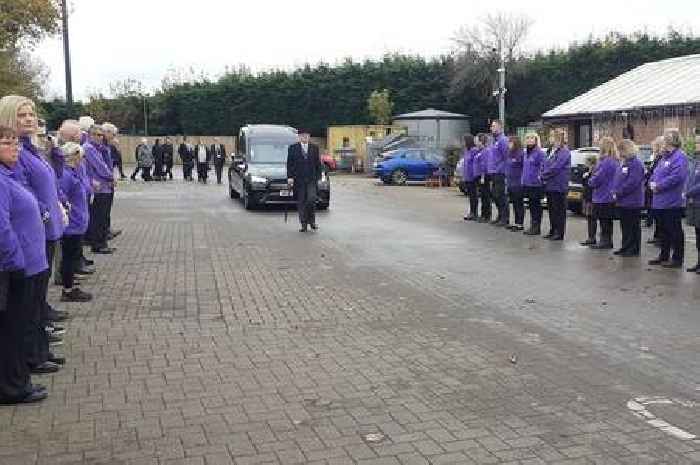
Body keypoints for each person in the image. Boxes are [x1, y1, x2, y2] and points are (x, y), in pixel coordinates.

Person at [0, 96, 66, 374]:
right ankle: (32, 356)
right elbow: (24, 190)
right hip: (30, 235)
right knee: (27, 303)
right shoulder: (16, 153)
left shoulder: (30, 149)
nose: (30, 119)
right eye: (22, 115)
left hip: (43, 233)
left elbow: (49, 181)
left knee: (37, 299)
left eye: (32, 114)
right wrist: (44, 213)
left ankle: (39, 350)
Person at [0, 125, 49, 404]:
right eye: (7, 143)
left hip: (26, 264)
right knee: (11, 329)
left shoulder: (9, 175)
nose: (15, 148)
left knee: (17, 328)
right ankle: (12, 387)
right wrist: (15, 262)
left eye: (16, 143)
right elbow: (2, 227)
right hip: (14, 268)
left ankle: (17, 381)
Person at [58, 142, 93, 301]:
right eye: (81, 157)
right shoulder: (66, 175)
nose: (82, 160)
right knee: (69, 257)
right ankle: (68, 289)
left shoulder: (74, 172)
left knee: (73, 257)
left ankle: (70, 284)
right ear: (74, 156)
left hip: (78, 223)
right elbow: (61, 195)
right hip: (71, 225)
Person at [648, 129, 688, 268]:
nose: (663, 141)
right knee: (663, 231)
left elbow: (677, 177)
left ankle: (677, 259)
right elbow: (655, 173)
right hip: (659, 201)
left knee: (674, 230)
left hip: (671, 202)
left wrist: (659, 185)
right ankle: (663, 255)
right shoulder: (664, 157)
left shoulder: (679, 157)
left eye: (665, 139)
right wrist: (652, 182)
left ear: (672, 141)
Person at [83, 125, 115, 254]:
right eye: (96, 134)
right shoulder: (89, 148)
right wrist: (111, 177)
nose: (100, 137)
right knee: (98, 217)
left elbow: (108, 163)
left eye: (101, 135)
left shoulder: (98, 148)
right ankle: (98, 244)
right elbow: (100, 167)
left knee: (102, 216)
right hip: (99, 188)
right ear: (90, 135)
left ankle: (101, 243)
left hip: (104, 186)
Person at [612, 139, 646, 257]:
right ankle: (625, 246)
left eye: (621, 150)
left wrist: (619, 192)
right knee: (625, 226)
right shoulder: (624, 162)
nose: (619, 153)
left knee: (633, 226)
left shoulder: (635, 163)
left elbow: (633, 182)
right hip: (623, 201)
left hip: (632, 201)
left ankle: (633, 248)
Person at [587, 136, 618, 250]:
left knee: (604, 220)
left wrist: (590, 180)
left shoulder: (606, 161)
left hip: (602, 195)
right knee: (607, 220)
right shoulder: (614, 160)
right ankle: (607, 240)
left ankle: (605, 241)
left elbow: (598, 177)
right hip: (609, 194)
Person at [287, 130, 322, 232]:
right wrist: (290, 177)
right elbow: (289, 164)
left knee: (311, 199)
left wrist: (319, 177)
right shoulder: (293, 148)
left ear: (309, 137)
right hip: (299, 180)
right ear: (299, 137)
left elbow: (318, 164)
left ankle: (312, 221)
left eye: (306, 136)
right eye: (302, 136)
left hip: (311, 179)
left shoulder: (314, 148)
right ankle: (303, 224)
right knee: (301, 202)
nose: (304, 137)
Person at [541, 128, 571, 241]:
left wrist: (543, 175)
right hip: (550, 185)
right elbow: (545, 164)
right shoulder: (550, 151)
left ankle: (559, 232)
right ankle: (553, 230)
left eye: (552, 136)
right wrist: (543, 172)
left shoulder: (564, 151)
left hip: (559, 186)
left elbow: (556, 167)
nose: (550, 138)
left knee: (559, 210)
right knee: (552, 209)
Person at [521, 133, 546, 236]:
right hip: (527, 183)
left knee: (536, 206)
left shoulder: (539, 153)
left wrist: (539, 177)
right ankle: (533, 225)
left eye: (532, 138)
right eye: (527, 138)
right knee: (531, 205)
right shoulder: (526, 152)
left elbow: (542, 166)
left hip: (536, 184)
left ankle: (536, 227)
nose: (529, 140)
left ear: (536, 140)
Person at [101, 123, 122, 240]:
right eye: (113, 134)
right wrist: (110, 177)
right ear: (107, 133)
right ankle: (103, 232)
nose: (114, 137)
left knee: (107, 208)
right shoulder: (102, 147)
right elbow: (102, 165)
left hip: (108, 181)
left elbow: (115, 161)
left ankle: (106, 229)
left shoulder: (108, 146)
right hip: (104, 183)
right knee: (103, 210)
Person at [487, 120, 508, 226]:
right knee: (495, 195)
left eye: (494, 126)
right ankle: (500, 215)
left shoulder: (503, 140)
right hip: (493, 172)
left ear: (500, 127)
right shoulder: (493, 141)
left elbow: (506, 156)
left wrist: (500, 169)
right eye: (491, 126)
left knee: (500, 195)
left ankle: (505, 218)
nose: (491, 128)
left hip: (500, 172)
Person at [645, 136, 665, 245]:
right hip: (652, 188)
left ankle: (660, 237)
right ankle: (657, 236)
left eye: (654, 146)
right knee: (655, 214)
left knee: (659, 216)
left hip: (657, 189)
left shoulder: (660, 158)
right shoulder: (656, 158)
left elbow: (655, 173)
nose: (652, 148)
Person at [685, 137, 700, 273]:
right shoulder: (695, 161)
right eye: (696, 142)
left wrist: (688, 192)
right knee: (697, 234)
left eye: (698, 143)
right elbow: (689, 178)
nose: (696, 145)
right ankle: (698, 262)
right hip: (693, 203)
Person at [505, 136, 525, 231]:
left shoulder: (520, 154)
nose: (509, 145)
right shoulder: (509, 154)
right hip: (510, 182)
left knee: (519, 203)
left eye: (511, 143)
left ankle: (520, 223)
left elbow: (523, 168)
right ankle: (515, 222)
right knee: (514, 203)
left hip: (518, 183)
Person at [579, 153, 598, 246]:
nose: (585, 163)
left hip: (592, 197)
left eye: (586, 161)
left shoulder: (595, 171)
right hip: (587, 196)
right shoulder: (587, 171)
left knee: (592, 218)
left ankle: (592, 237)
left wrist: (587, 176)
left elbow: (591, 184)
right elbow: (583, 183)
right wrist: (584, 177)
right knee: (589, 218)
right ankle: (590, 237)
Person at [461, 134, 479, 221]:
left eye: (464, 141)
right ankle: (471, 211)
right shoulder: (466, 151)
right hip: (467, 176)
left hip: (472, 176)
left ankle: (474, 212)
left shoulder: (473, 150)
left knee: (473, 195)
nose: (463, 143)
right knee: (470, 195)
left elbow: (475, 163)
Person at [474, 133, 491, 223]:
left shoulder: (485, 151)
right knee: (482, 196)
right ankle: (483, 214)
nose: (475, 142)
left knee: (485, 196)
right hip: (478, 176)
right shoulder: (479, 151)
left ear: (481, 141)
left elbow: (485, 165)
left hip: (483, 176)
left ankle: (486, 215)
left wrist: (483, 176)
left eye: (476, 140)